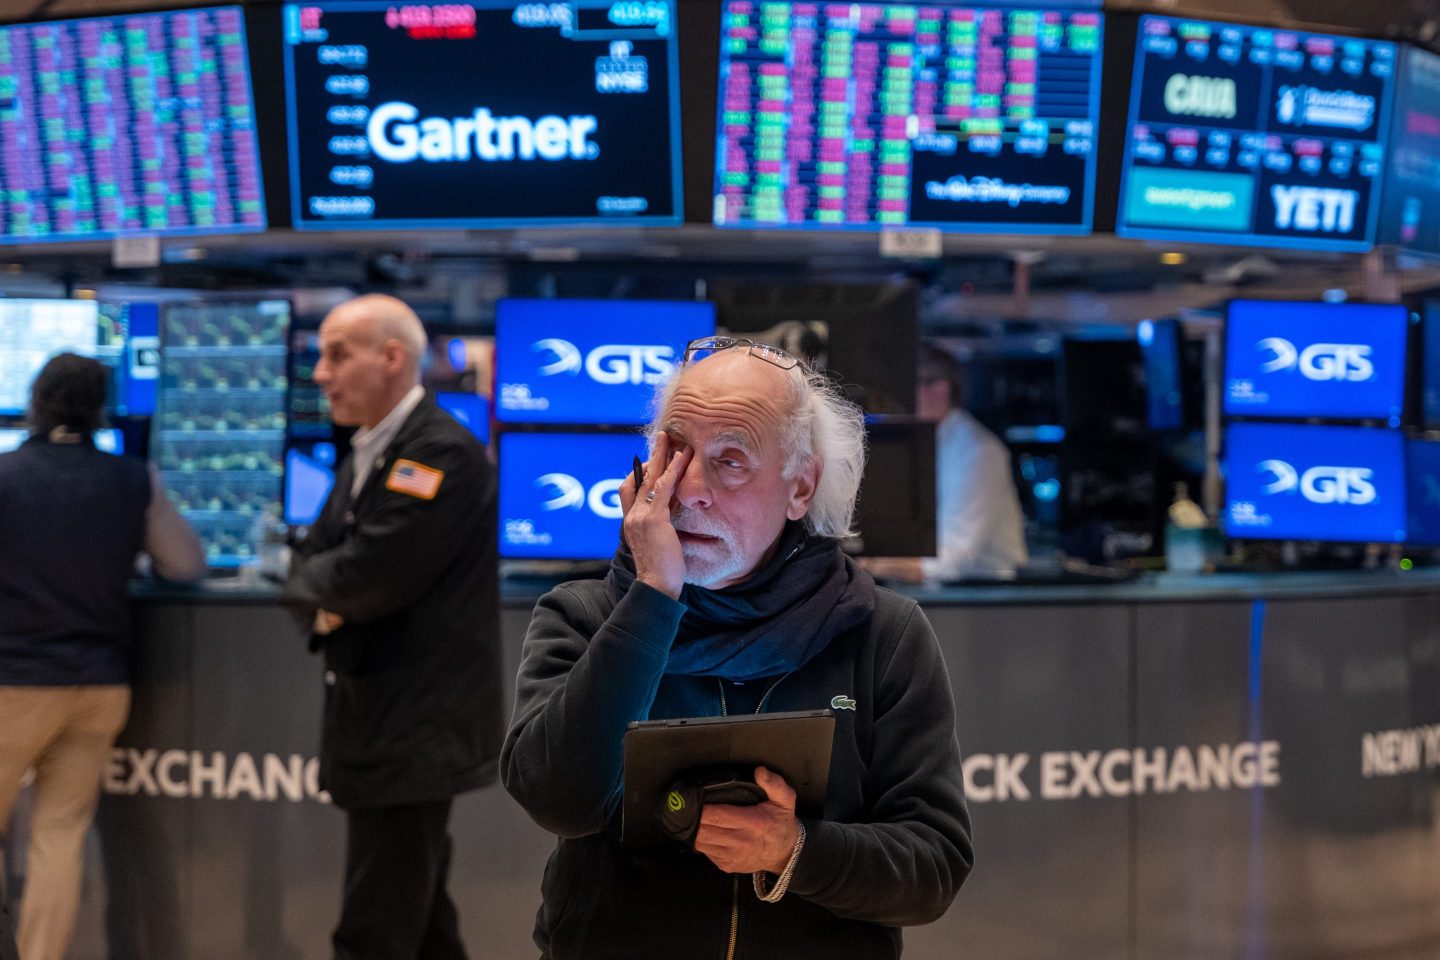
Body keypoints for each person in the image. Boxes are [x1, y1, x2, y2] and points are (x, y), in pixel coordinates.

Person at [502, 336, 973, 959]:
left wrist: (796, 851)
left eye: (730, 460)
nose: (689, 488)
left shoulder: (880, 634)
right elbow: (560, 799)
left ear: (801, 489)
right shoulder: (586, 615)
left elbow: (933, 868)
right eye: (675, 451)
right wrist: (652, 598)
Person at [281, 294, 502, 960]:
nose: (321, 373)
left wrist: (325, 591)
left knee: (375, 929)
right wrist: (322, 591)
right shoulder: (369, 449)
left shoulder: (440, 454)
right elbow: (311, 564)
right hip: (379, 721)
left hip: (414, 729)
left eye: (336, 354)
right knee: (422, 920)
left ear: (393, 357)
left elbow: (362, 578)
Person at [0, 353, 205, 960]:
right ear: (102, 408)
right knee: (58, 836)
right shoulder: (132, 478)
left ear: (36, 400)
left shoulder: (4, 476)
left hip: (13, 685)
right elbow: (186, 564)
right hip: (98, 689)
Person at [868, 342, 1027, 582]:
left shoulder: (978, 451)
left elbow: (953, 557)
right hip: (946, 596)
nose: (894, 399)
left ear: (940, 388)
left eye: (904, 387)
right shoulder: (921, 442)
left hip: (985, 599)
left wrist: (871, 566)